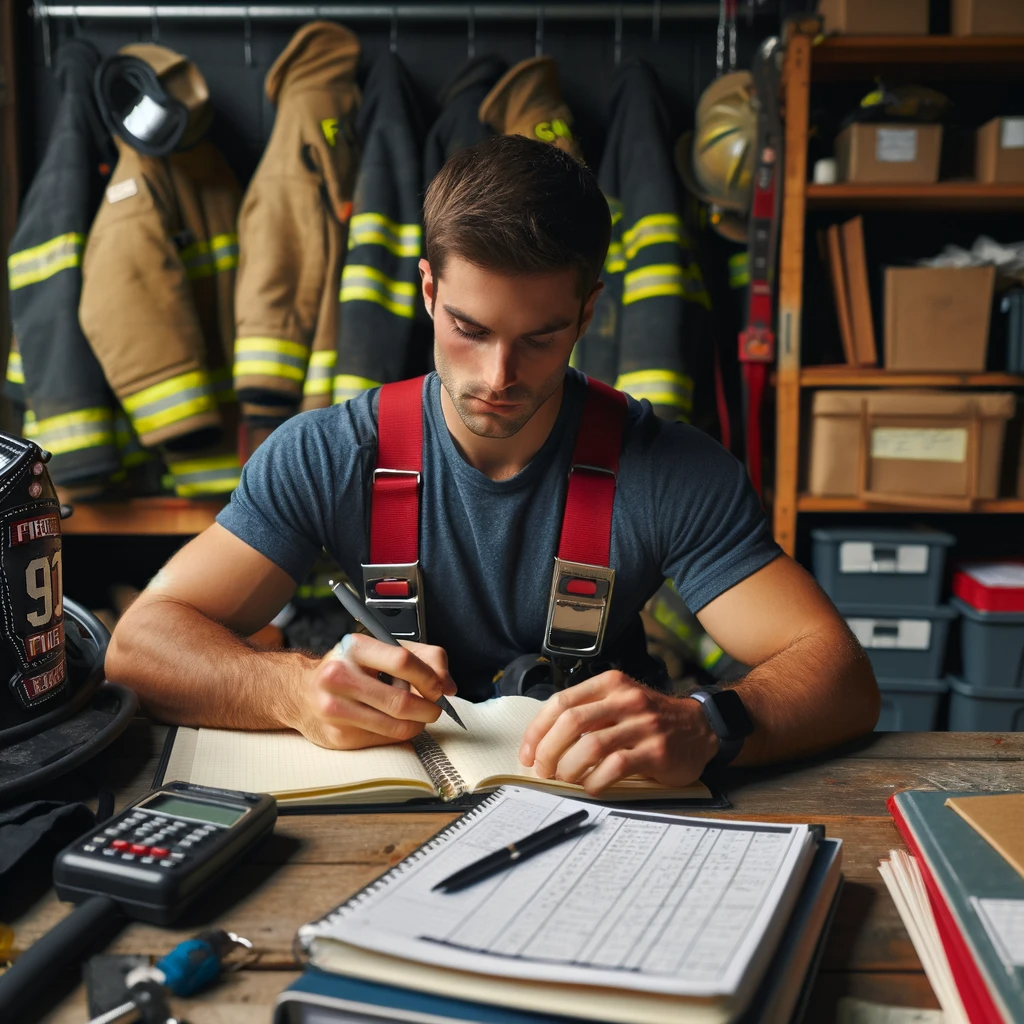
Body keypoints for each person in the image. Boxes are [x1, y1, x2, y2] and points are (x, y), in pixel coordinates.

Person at [106, 135, 879, 795]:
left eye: (540, 336)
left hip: (600, 815)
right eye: (469, 329)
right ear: (429, 290)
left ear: (587, 312)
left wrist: (709, 722)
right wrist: (293, 690)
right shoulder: (328, 454)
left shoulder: (670, 470)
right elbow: (141, 647)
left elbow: (839, 675)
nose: (499, 375)